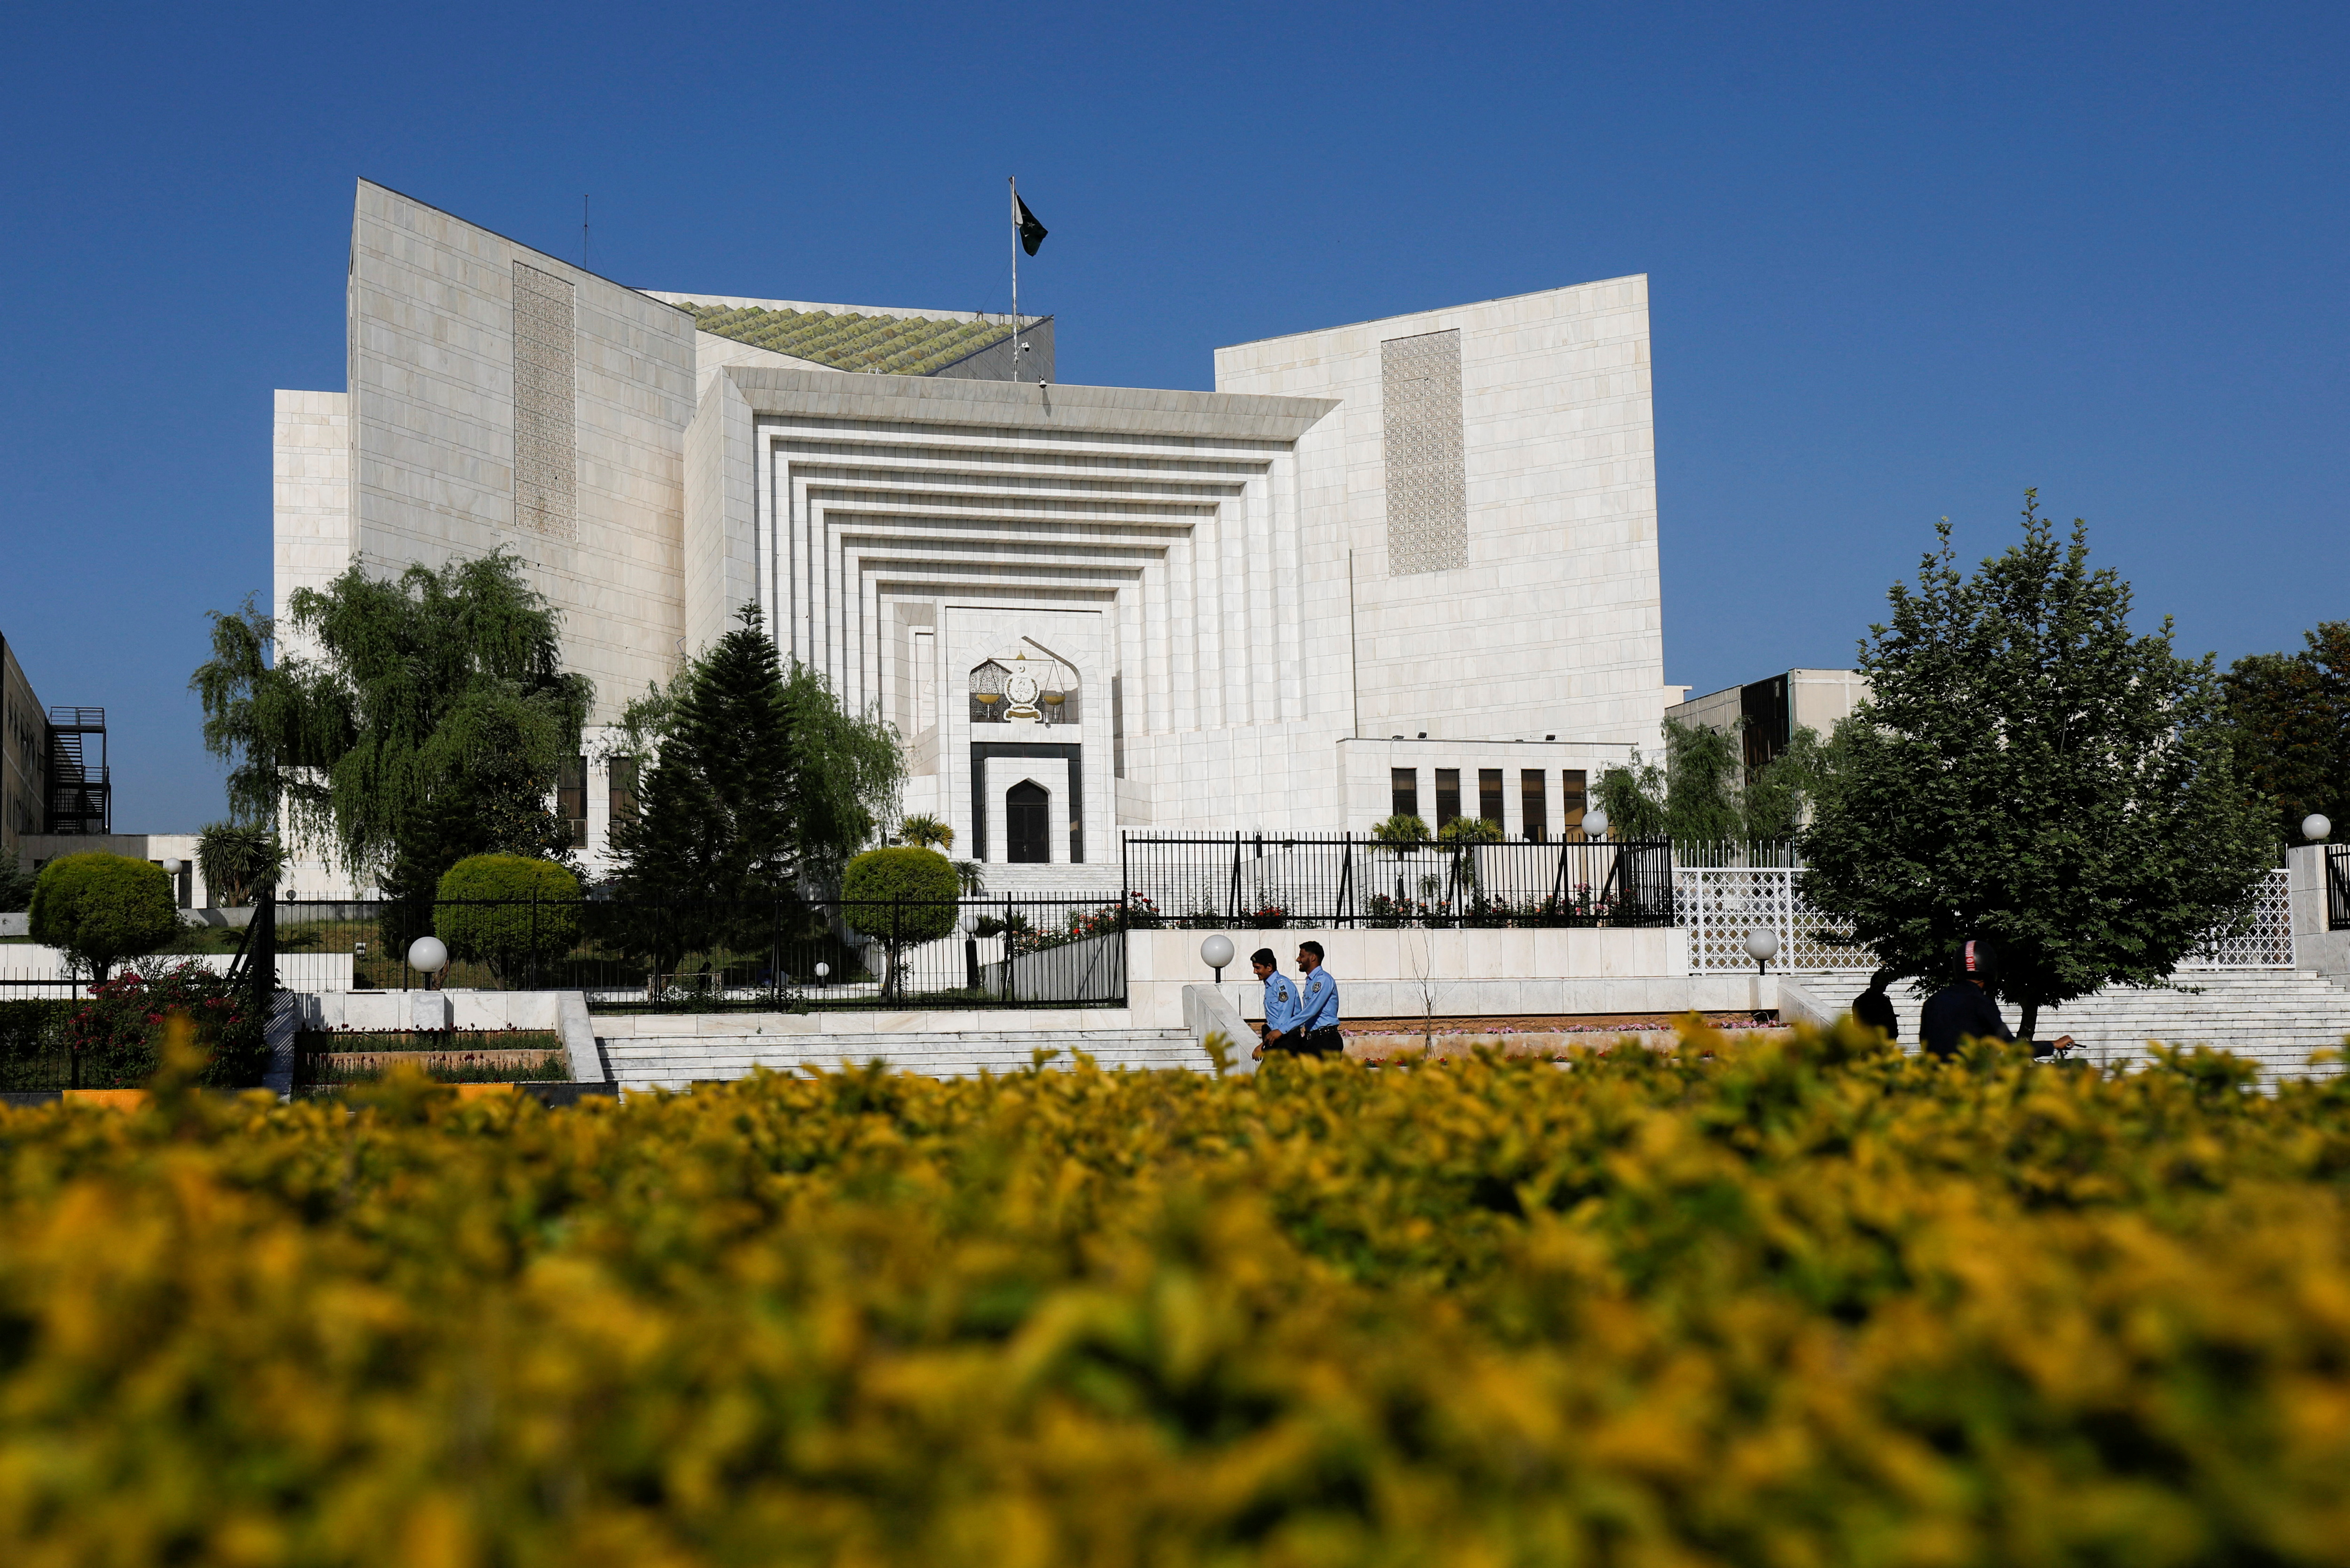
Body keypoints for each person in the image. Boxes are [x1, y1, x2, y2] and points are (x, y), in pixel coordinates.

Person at [1918, 938, 2072, 1060]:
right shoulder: (1982, 1003)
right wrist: (2053, 1045)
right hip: (1968, 1086)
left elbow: (1925, 1045)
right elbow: (2011, 1048)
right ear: (1989, 967)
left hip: (1933, 1085)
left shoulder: (1933, 1002)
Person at [1291, 941, 1344, 1057]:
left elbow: (1311, 1011)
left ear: (1313, 957)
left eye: (1302, 956)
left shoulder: (1323, 980)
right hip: (1312, 1040)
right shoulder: (1311, 981)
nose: (1298, 959)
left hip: (1325, 1040)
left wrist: (1282, 1030)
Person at [1250, 947, 1302, 1061]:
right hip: (1277, 1040)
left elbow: (1284, 1019)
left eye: (1257, 968)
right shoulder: (1271, 986)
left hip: (1286, 1040)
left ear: (1269, 967)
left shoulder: (1282, 985)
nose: (1255, 972)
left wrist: (1263, 1045)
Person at [1852, 969, 1899, 1041]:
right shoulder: (1861, 1001)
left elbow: (1892, 1022)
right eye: (1882, 985)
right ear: (1875, 984)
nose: (1884, 988)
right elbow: (1858, 1024)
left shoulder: (1885, 1000)